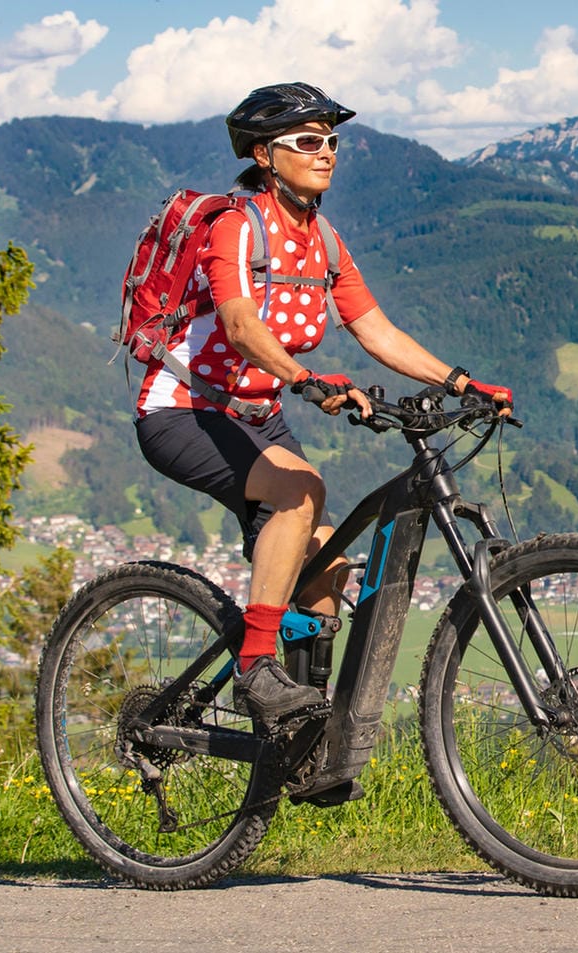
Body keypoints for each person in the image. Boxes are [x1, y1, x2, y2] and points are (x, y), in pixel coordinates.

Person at [133, 82, 511, 730]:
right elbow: (240, 324)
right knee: (301, 490)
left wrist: (461, 382)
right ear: (263, 154)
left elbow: (376, 330)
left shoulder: (324, 241)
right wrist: (306, 378)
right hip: (185, 410)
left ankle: (301, 740)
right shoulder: (236, 227)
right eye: (308, 141)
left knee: (327, 570)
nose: (327, 152)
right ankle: (255, 671)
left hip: (256, 415)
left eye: (332, 141)